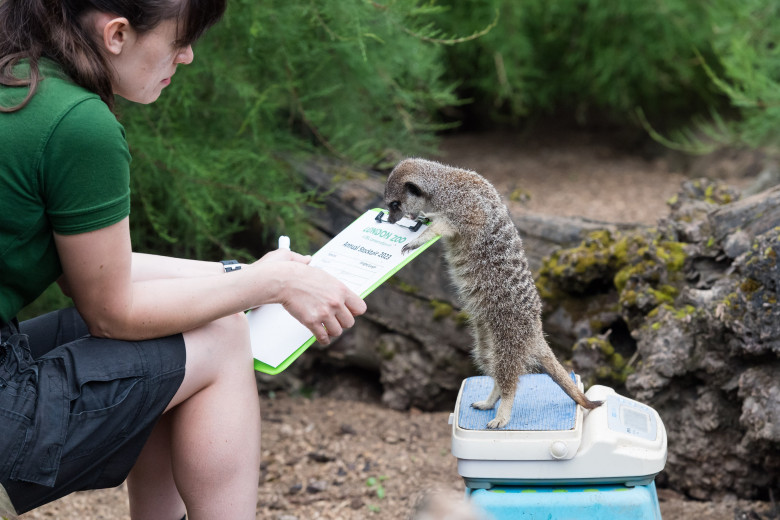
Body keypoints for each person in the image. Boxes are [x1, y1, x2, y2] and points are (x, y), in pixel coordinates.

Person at [0, 0, 367, 518]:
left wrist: (257, 276)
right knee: (219, 337)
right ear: (118, 35)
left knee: (190, 324)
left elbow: (106, 272)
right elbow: (112, 313)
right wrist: (264, 287)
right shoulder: (77, 124)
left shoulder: (20, 81)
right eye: (179, 41)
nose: (189, 56)